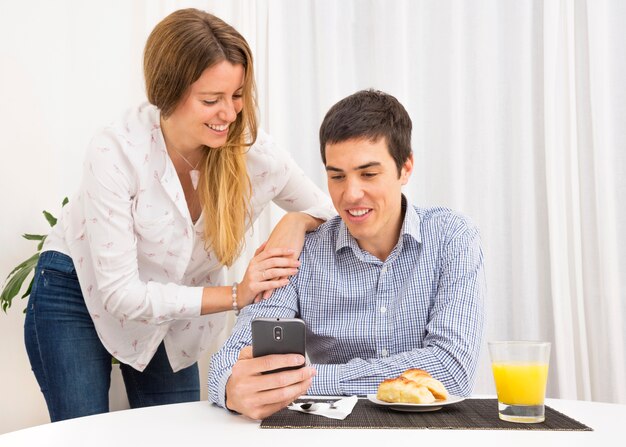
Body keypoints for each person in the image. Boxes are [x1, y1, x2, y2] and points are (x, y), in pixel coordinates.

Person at [23, 8, 335, 422]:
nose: (230, 114)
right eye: (211, 100)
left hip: (172, 319)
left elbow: (332, 212)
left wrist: (296, 220)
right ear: (167, 93)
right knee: (83, 434)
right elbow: (120, 294)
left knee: (176, 431)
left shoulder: (256, 156)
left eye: (237, 95)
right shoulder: (115, 152)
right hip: (76, 290)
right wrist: (236, 295)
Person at [208, 89, 485, 419]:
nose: (351, 194)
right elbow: (227, 363)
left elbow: (450, 370)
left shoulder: (452, 237)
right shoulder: (303, 252)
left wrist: (301, 382)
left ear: (405, 167)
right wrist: (232, 388)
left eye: (369, 174)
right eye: (336, 176)